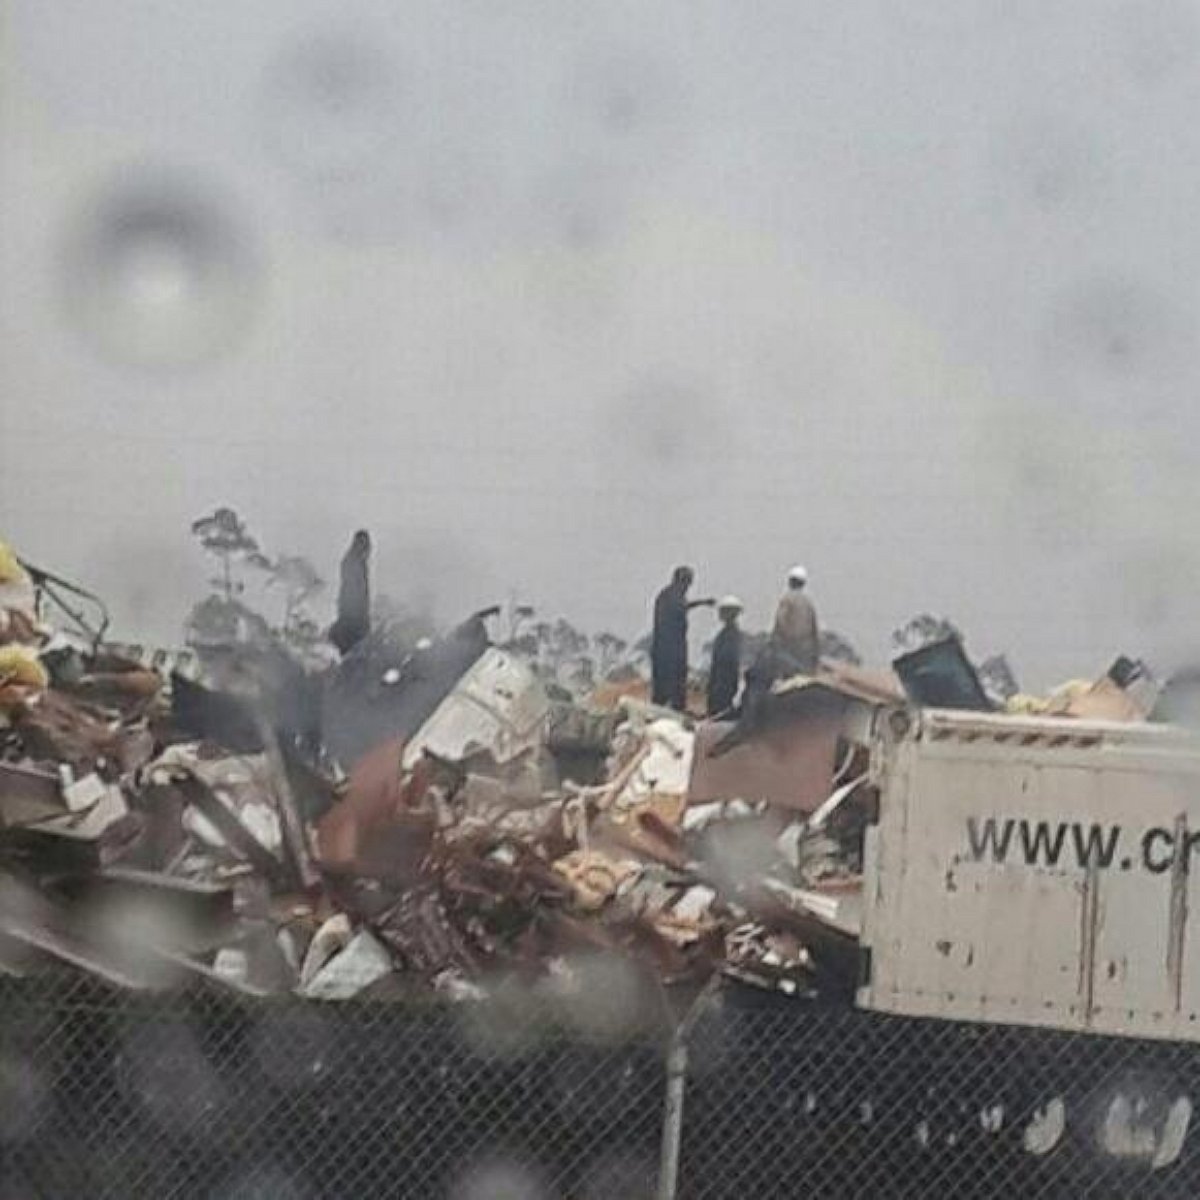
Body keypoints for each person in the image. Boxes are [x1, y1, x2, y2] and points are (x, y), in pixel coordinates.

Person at [650, 566, 713, 711]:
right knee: (668, 683)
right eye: (686, 583)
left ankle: (674, 706)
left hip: (674, 647)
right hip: (667, 649)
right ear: (679, 581)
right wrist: (702, 602)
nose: (687, 587)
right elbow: (681, 606)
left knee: (677, 682)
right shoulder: (669, 595)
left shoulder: (673, 595)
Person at [771, 565, 819, 676]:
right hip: (806, 651)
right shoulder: (808, 602)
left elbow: (780, 622)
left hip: (789, 650)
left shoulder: (786, 599)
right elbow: (815, 630)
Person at [330, 530, 371, 656]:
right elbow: (353, 591)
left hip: (355, 615)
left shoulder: (357, 562)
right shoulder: (353, 562)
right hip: (352, 616)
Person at [707, 595, 744, 717]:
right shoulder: (725, 634)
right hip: (720, 681)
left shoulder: (731, 635)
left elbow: (729, 660)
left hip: (724, 682)